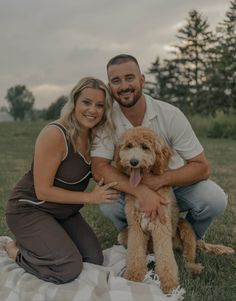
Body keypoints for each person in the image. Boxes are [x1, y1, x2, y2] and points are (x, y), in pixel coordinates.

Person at [91, 54, 228, 242]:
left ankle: (187, 238)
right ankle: (138, 237)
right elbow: (99, 168)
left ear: (142, 80)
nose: (124, 86)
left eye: (129, 78)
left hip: (173, 186)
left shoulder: (170, 115)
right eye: (116, 81)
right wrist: (141, 192)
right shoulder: (107, 120)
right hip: (130, 186)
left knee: (214, 198)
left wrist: (161, 180)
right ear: (110, 87)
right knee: (109, 203)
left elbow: (202, 167)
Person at [5, 77, 119, 284]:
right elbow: (43, 191)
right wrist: (91, 198)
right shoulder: (55, 134)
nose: (92, 110)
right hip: (30, 209)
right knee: (68, 268)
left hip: (64, 213)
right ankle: (16, 250)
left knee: (93, 259)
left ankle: (40, 241)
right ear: (74, 102)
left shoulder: (97, 137)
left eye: (99, 105)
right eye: (86, 102)